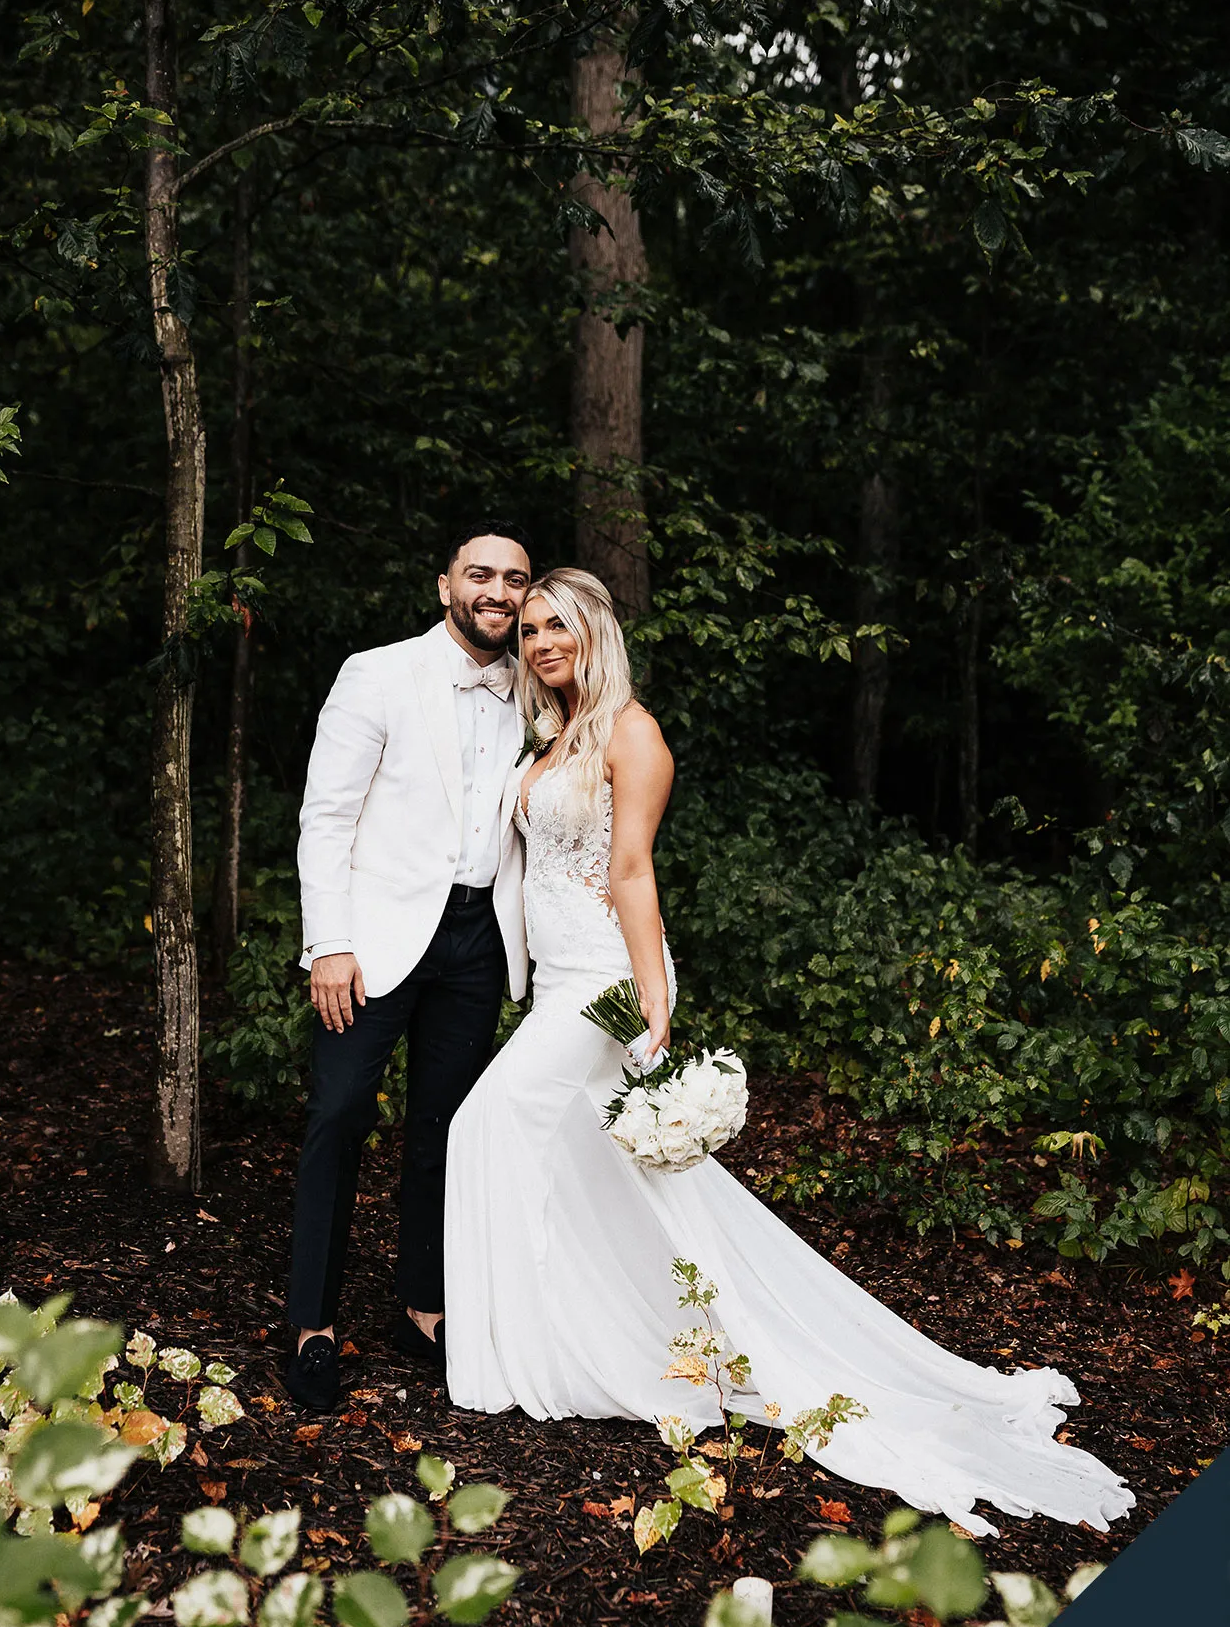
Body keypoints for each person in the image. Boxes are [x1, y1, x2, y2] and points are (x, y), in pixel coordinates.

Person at [443, 567, 1135, 1537]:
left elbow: (631, 869)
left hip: (603, 976)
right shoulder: (550, 735)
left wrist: (651, 994)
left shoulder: (632, 733)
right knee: (601, 1166)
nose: (540, 641)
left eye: (558, 624)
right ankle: (604, 1341)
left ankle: (522, 1357)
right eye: (528, 629)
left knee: (486, 1124)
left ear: (595, 632)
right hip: (554, 976)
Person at [284, 522, 533, 1412]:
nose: (496, 592)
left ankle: (423, 1308)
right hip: (376, 940)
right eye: (480, 575)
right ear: (444, 586)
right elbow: (326, 817)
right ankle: (311, 1326)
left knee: (445, 1130)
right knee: (338, 1117)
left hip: (478, 940)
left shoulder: (537, 691)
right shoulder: (377, 673)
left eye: (514, 579)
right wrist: (329, 943)